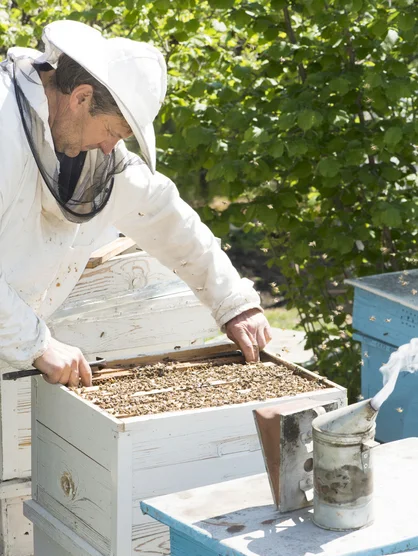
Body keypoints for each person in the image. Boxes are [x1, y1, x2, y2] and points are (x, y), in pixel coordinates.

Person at [0, 20, 272, 388]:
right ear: (81, 98)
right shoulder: (5, 129)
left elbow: (166, 216)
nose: (112, 146)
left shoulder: (98, 158)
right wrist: (36, 344)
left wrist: (235, 303)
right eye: (112, 131)